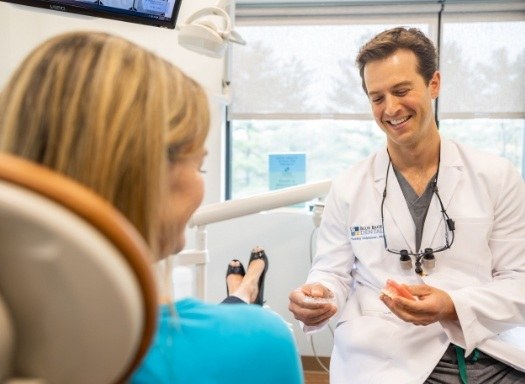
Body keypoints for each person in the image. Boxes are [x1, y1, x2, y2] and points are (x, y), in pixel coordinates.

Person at [0, 31, 303, 384]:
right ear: (146, 175)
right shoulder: (258, 342)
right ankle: (245, 292)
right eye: (199, 165)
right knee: (235, 313)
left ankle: (242, 291)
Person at [288, 26, 525, 384]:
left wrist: (450, 304)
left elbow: (518, 282)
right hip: (383, 353)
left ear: (434, 84)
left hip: (481, 345)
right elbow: (332, 273)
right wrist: (317, 296)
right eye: (377, 98)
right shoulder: (350, 186)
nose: (391, 109)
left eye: (401, 91)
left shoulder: (496, 176)